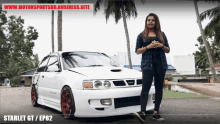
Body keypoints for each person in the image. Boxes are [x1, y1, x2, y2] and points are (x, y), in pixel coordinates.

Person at [133, 13, 170, 123]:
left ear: (156, 22)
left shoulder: (162, 35)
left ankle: (156, 113)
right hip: (147, 64)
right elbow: (137, 51)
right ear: (146, 22)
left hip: (160, 64)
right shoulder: (141, 35)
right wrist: (148, 47)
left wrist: (161, 46)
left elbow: (168, 50)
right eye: (148, 20)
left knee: (159, 88)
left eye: (152, 20)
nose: (150, 22)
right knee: (145, 87)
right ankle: (142, 113)